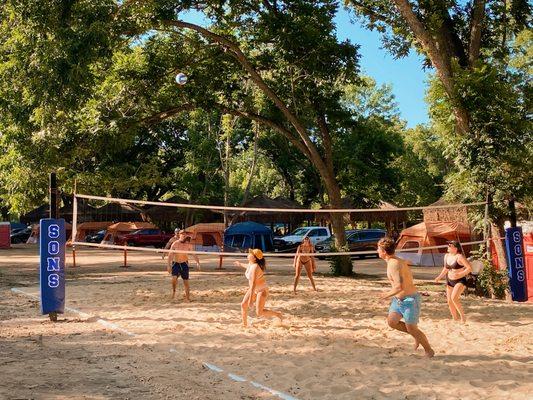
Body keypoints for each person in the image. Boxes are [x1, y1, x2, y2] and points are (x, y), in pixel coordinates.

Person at [378, 237, 434, 358]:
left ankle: (429, 350)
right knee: (392, 322)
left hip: (410, 300)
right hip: (398, 300)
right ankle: (415, 335)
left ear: (383, 251)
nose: (377, 251)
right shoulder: (393, 261)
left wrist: (384, 295)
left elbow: (399, 287)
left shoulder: (394, 264)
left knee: (412, 328)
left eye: (378, 248)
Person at [234, 249, 282, 328]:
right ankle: (244, 324)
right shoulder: (251, 263)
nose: (249, 254)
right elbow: (247, 266)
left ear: (255, 258)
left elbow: (253, 284)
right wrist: (239, 264)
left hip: (261, 290)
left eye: (251, 253)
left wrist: (250, 301)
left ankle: (278, 314)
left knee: (259, 312)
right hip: (254, 289)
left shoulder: (256, 267)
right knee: (243, 305)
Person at [434, 240, 472, 323]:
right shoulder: (446, 256)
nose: (448, 247)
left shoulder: (459, 257)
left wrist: (461, 274)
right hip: (449, 280)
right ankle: (455, 319)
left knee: (454, 298)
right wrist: (439, 277)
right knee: (449, 301)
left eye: (450, 246)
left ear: (455, 248)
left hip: (460, 280)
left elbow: (469, 268)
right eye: (448, 245)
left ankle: (463, 316)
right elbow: (446, 268)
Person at [167, 230, 193, 301]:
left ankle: (187, 298)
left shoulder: (188, 244)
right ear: (179, 235)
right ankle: (174, 291)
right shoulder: (175, 243)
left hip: (184, 264)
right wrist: (168, 265)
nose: (184, 235)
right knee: (174, 279)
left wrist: (198, 262)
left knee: (186, 282)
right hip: (176, 263)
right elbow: (170, 255)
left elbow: (194, 254)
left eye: (185, 234)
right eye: (182, 234)